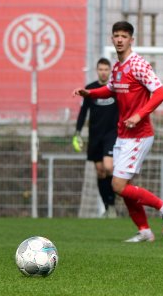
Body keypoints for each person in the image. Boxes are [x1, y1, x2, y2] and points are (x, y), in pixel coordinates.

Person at [73, 21, 163, 243]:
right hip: (123, 135)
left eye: (124, 36)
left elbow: (160, 93)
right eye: (116, 36)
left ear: (131, 39)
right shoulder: (118, 67)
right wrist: (89, 93)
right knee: (124, 187)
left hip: (140, 134)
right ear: (112, 39)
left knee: (117, 185)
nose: (120, 40)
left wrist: (140, 114)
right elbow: (110, 89)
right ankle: (145, 231)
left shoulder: (138, 64)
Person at [73, 58, 118, 218]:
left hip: (111, 134)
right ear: (97, 70)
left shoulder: (115, 89)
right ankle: (108, 207)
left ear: (110, 71)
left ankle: (112, 203)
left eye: (106, 69)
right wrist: (77, 131)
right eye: (101, 69)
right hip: (95, 135)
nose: (104, 72)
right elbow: (83, 112)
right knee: (100, 172)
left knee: (108, 166)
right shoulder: (90, 89)